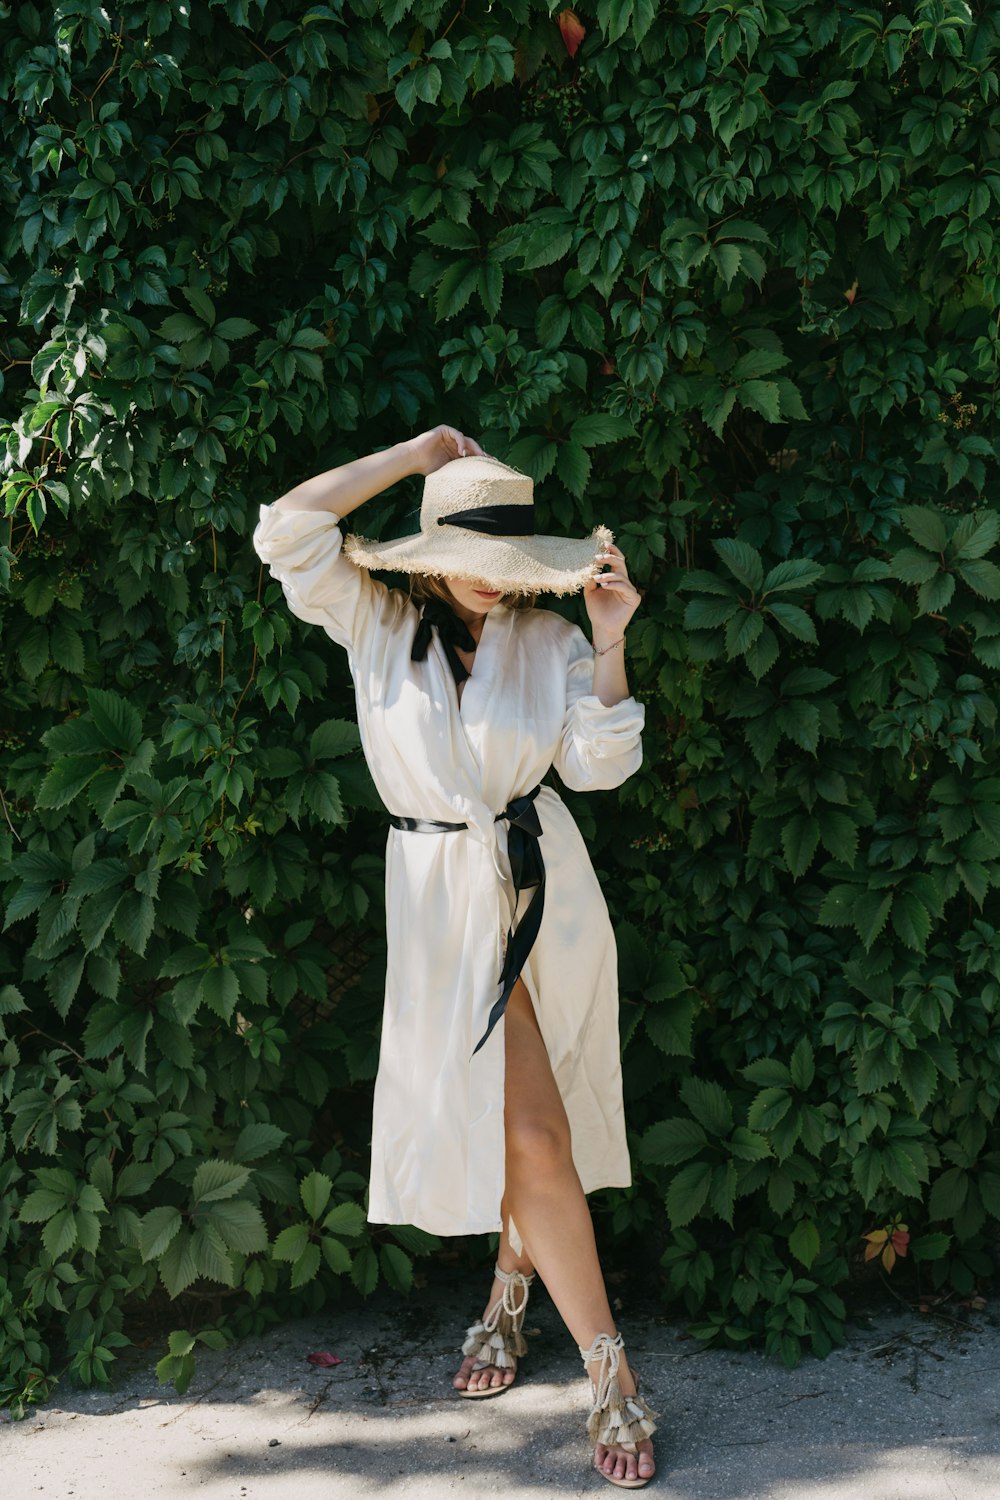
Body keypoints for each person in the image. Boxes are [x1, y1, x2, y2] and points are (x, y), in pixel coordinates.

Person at [252, 424, 658, 1488]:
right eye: (469, 564)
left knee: (536, 1118)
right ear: (430, 555)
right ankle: (590, 1357)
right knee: (527, 1126)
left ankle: (540, 1319)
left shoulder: (547, 640)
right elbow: (288, 528)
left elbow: (600, 768)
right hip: (439, 902)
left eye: (506, 568)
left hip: (545, 892)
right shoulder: (372, 616)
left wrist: (608, 640)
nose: (488, 585)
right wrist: (415, 452)